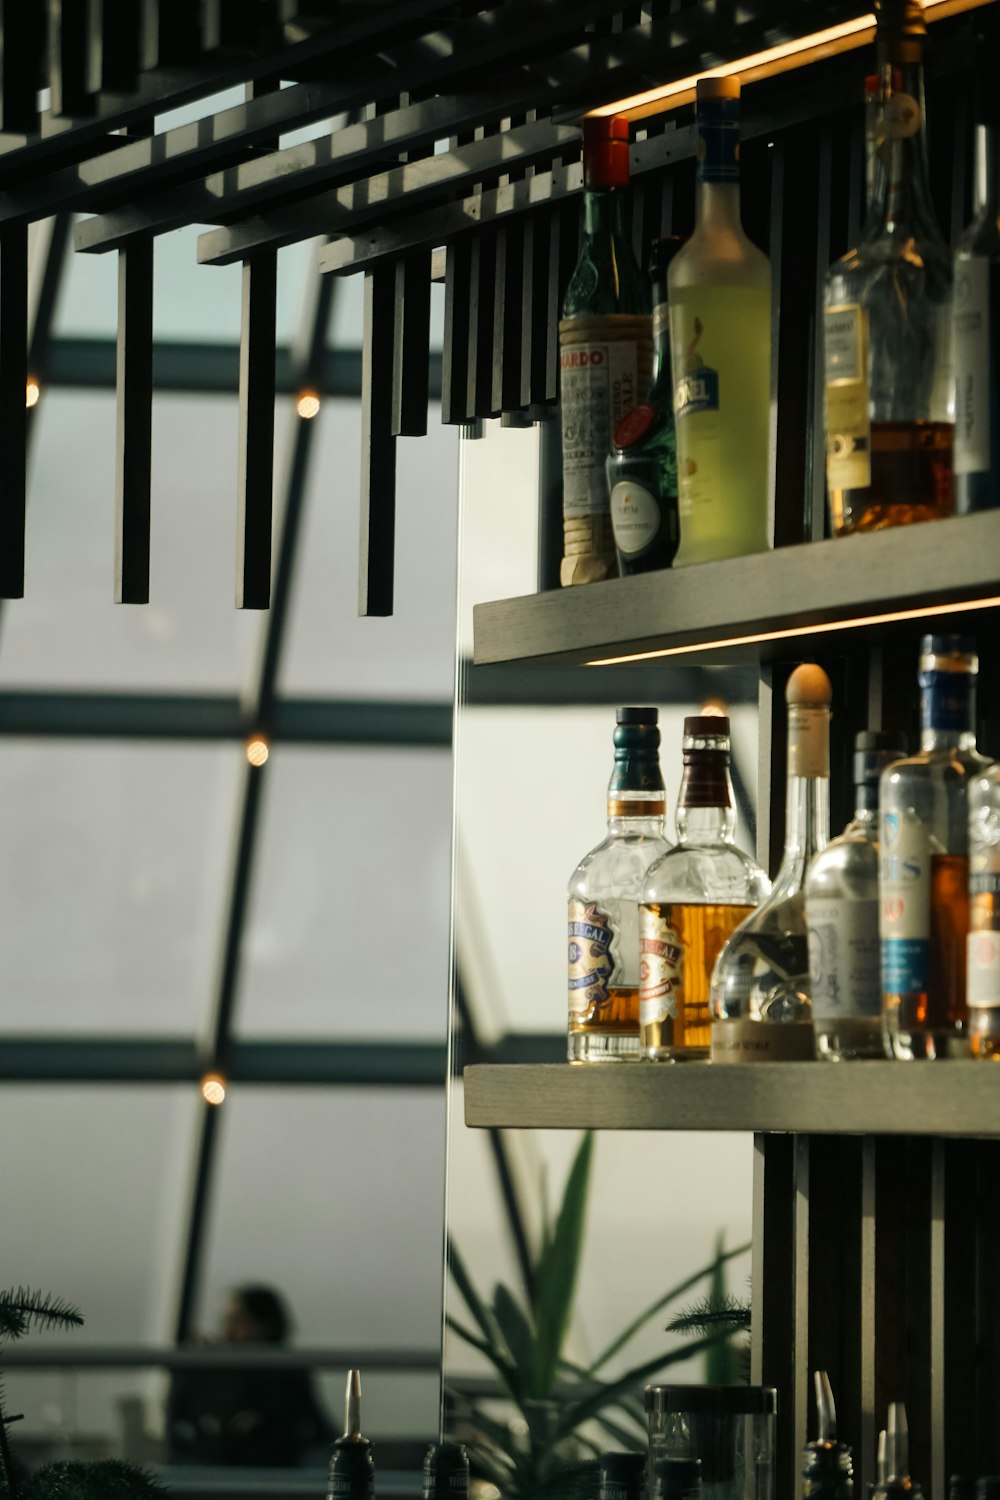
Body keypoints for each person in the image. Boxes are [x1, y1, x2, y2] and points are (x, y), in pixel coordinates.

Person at [167, 1284, 333, 1467]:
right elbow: (180, 1418)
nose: (229, 1332)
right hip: (213, 1465)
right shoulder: (209, 1369)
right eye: (226, 1322)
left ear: (266, 1326)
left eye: (239, 1321)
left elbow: (314, 1427)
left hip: (266, 1469)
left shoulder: (287, 1373)